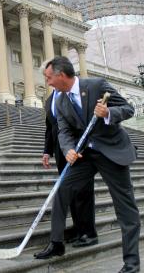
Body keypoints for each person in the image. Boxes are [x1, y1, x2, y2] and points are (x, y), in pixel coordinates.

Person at [35, 56, 141, 273]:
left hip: (111, 151)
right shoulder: (60, 100)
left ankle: (131, 263)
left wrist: (109, 113)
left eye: (49, 78)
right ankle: (56, 243)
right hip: (85, 154)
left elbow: (128, 109)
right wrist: (68, 150)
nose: (48, 82)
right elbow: (63, 131)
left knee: (125, 207)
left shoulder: (96, 85)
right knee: (62, 190)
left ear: (61, 75)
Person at [43, 86, 98, 248]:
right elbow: (49, 128)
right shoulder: (49, 100)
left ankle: (89, 232)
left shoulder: (72, 93)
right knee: (69, 191)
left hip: (78, 147)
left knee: (83, 191)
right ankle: (77, 228)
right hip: (60, 150)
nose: (48, 80)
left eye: (49, 76)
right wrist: (47, 151)